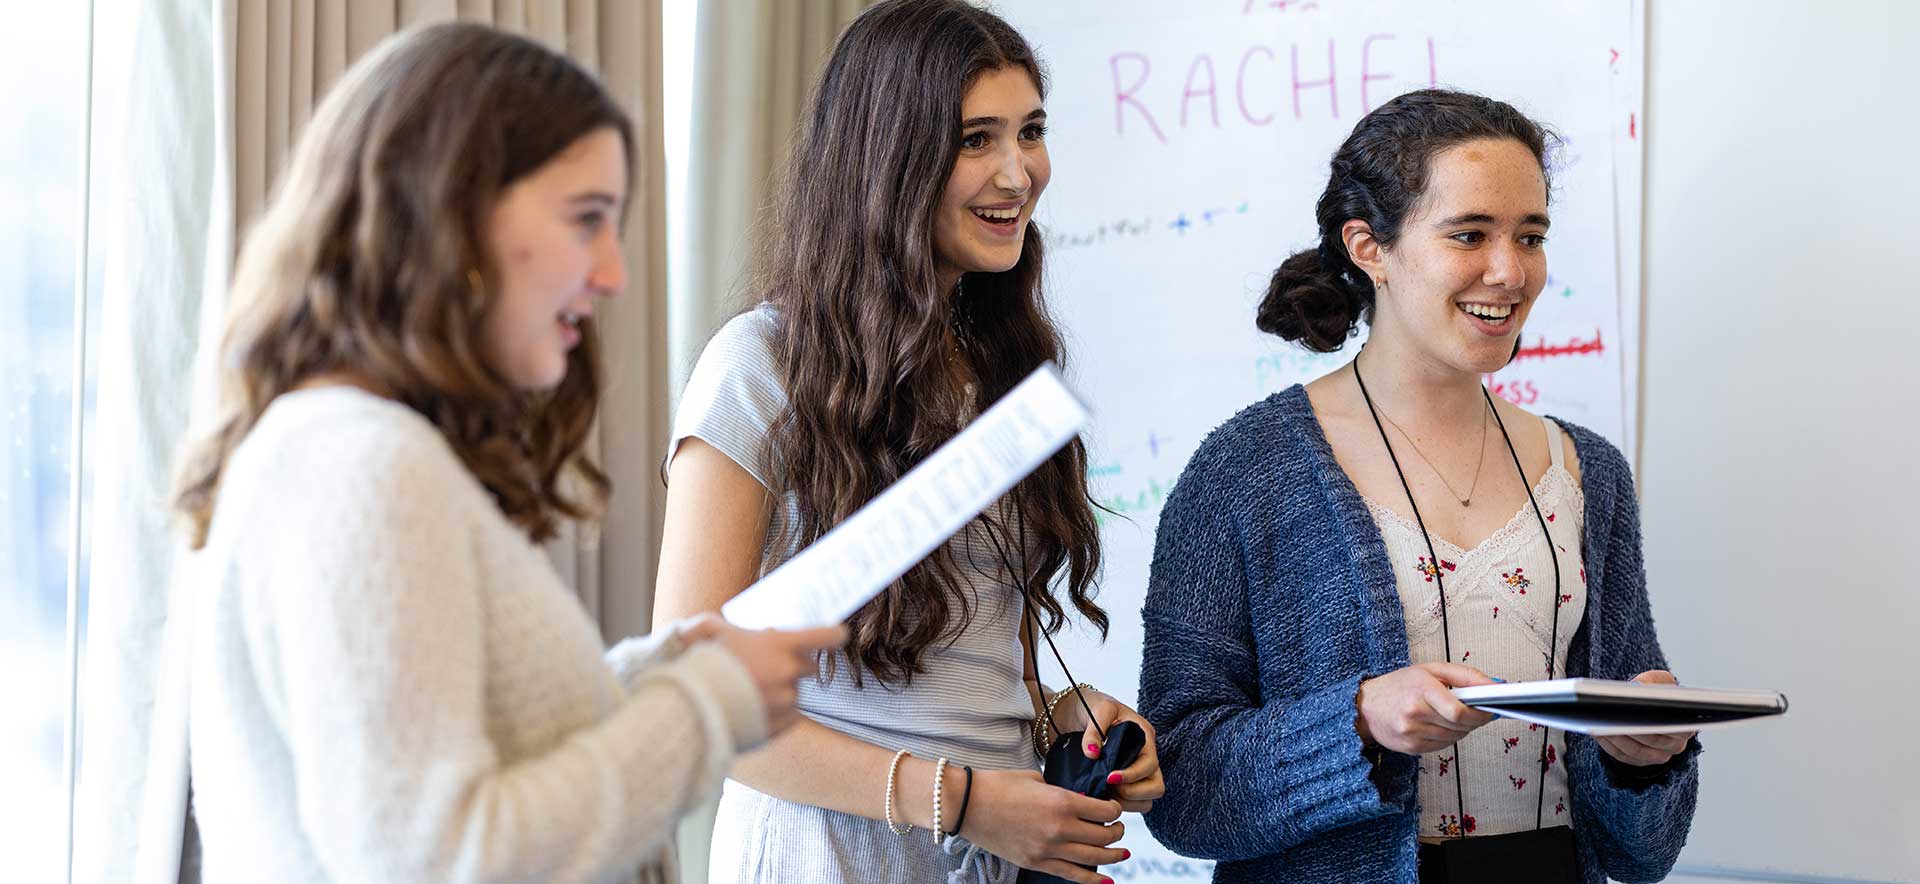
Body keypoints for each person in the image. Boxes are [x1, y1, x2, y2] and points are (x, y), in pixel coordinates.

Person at [171, 23, 843, 884]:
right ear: (451, 210)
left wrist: (657, 677)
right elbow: (441, 858)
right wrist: (708, 705)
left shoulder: (346, 449)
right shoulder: (365, 467)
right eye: (587, 220)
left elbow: (454, 750)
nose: (612, 274)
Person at [653, 2, 1163, 883]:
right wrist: (962, 799)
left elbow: (941, 672)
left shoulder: (1002, 364)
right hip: (826, 855)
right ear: (885, 159)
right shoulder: (760, 366)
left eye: (1031, 131)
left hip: (987, 852)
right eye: (976, 140)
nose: (1019, 173)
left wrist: (1058, 716)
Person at [1137, 89, 1699, 884]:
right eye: (1469, 234)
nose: (1510, 272)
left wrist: (1642, 756)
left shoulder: (1586, 473)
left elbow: (1643, 850)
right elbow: (1182, 787)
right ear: (1369, 246)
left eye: (1530, 235)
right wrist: (1357, 723)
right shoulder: (1244, 471)